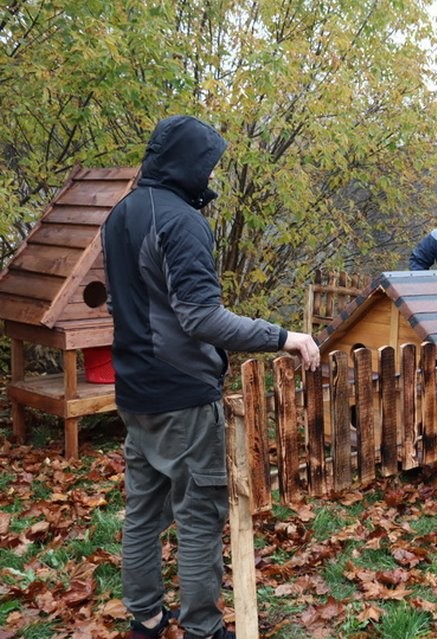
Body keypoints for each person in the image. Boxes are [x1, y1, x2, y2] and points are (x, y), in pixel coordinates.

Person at [101, 115, 320, 639]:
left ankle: (146, 619)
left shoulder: (120, 215)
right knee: (199, 514)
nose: (210, 175)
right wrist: (283, 337)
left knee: (143, 512)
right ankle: (202, 627)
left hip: (133, 389)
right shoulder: (182, 222)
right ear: (186, 164)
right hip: (182, 396)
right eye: (207, 165)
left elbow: (117, 302)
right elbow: (201, 318)